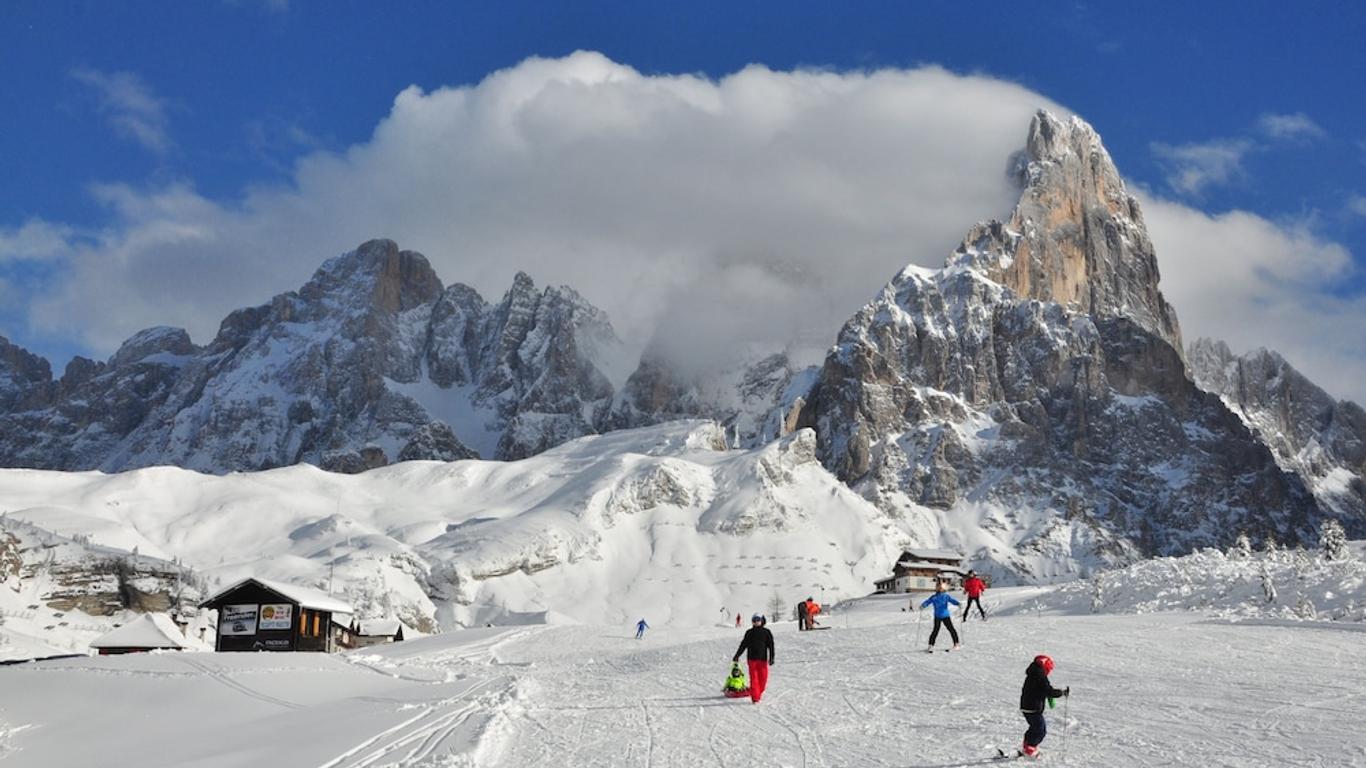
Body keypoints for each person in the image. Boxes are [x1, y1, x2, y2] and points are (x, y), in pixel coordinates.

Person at [1019, 654, 1069, 758]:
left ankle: (1027, 745)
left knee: (1035, 727)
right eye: (1049, 668)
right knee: (1040, 730)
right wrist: (1062, 693)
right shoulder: (1039, 676)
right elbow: (1048, 691)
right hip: (1033, 707)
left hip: (1027, 706)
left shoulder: (1034, 674)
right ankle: (1030, 748)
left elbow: (1043, 690)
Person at [732, 614, 775, 703]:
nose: (756, 622)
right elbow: (743, 645)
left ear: (761, 621)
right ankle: (755, 698)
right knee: (754, 679)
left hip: (763, 659)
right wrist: (737, 655)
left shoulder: (766, 632)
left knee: (763, 679)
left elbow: (771, 646)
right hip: (752, 659)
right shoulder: (749, 632)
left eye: (758, 620)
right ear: (752, 622)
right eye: (754, 620)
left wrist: (772, 657)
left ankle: (758, 692)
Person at [919, 581, 961, 651]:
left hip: (946, 616)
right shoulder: (934, 597)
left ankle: (956, 644)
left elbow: (952, 600)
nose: (939, 588)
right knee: (935, 630)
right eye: (938, 587)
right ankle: (931, 645)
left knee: (951, 629)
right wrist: (923, 605)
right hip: (937, 616)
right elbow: (928, 601)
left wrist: (958, 603)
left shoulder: (946, 596)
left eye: (941, 587)